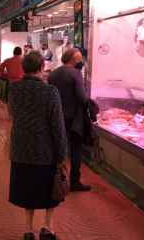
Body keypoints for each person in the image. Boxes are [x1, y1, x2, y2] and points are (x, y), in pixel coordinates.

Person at [8, 51, 67, 240]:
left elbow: (12, 114)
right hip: (45, 149)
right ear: (41, 68)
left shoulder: (14, 89)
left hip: (21, 148)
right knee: (50, 189)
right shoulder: (50, 92)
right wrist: (61, 154)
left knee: (27, 188)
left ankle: (28, 229)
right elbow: (57, 125)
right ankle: (48, 227)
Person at [48, 48, 91, 192]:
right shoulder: (75, 73)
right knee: (75, 149)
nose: (81, 62)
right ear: (73, 59)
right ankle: (74, 181)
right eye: (79, 59)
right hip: (73, 119)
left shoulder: (53, 73)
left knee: (57, 148)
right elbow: (81, 97)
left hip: (56, 116)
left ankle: (54, 178)